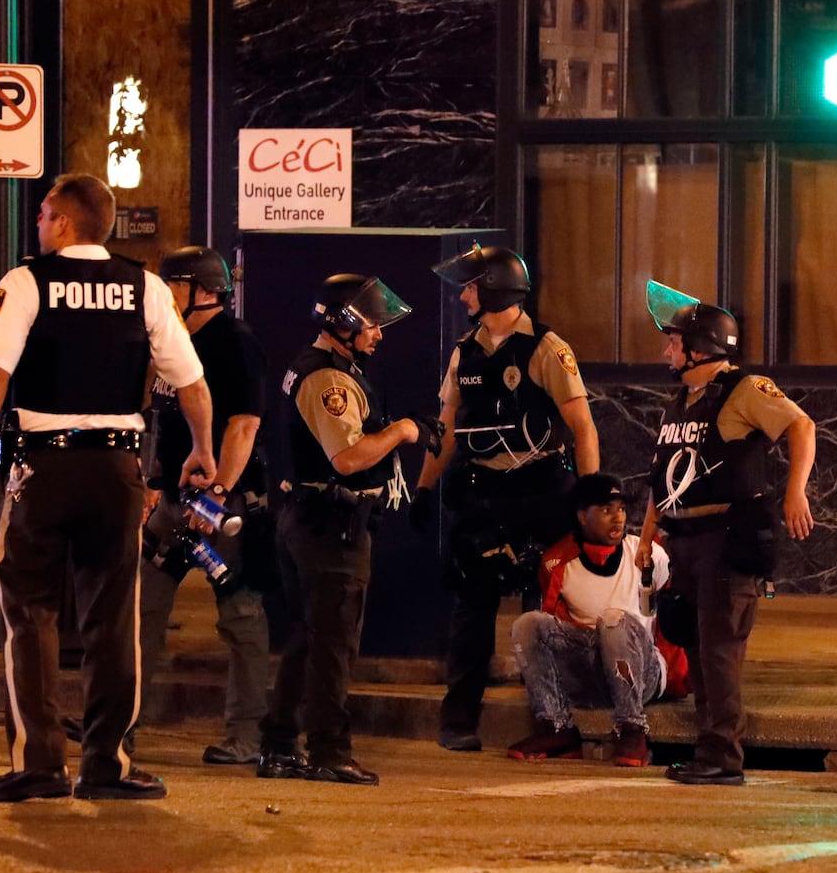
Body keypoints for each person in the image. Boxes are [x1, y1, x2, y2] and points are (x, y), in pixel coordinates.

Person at [0, 173, 215, 802]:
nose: (38, 222)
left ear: (63, 222)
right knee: (114, 619)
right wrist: (201, 450)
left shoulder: (26, 282)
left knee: (30, 615)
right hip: (118, 470)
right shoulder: (145, 286)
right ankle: (108, 765)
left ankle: (39, 766)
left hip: (42, 467)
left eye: (43, 213)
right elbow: (194, 385)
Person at [412, 243, 600, 752]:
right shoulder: (465, 351)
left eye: (470, 286)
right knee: (471, 609)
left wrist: (591, 498)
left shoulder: (545, 348)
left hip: (539, 491)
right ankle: (459, 720)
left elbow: (581, 426)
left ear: (494, 287)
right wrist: (425, 487)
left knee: (541, 612)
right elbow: (445, 428)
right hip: (482, 493)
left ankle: (551, 719)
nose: (463, 296)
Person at [255, 274, 442, 786]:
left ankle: (279, 745)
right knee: (334, 644)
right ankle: (328, 751)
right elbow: (348, 457)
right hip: (331, 525)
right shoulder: (329, 379)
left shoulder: (326, 367)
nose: (379, 334)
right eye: (373, 324)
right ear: (344, 322)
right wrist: (403, 431)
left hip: (312, 520)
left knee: (308, 640)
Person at [636, 280, 815, 787]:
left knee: (719, 649)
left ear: (700, 348)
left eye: (674, 343)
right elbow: (662, 477)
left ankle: (722, 756)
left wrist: (795, 492)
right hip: (686, 539)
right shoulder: (682, 401)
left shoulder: (745, 389)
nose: (667, 350)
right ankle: (706, 749)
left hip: (727, 536)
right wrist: (647, 537)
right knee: (695, 644)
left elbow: (802, 427)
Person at [139, 246, 270, 766]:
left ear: (202, 290)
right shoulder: (170, 344)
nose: (162, 295)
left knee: (240, 616)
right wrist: (152, 482)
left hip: (225, 504)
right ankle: (118, 722)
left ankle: (245, 736)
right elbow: (161, 419)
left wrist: (217, 496)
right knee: (141, 610)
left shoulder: (235, 342)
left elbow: (244, 424)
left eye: (171, 285)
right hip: (172, 503)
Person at [507, 473, 690, 767]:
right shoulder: (558, 564)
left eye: (621, 509)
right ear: (582, 516)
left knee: (614, 621)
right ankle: (556, 728)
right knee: (527, 624)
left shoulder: (646, 553)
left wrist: (681, 676)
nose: (618, 518)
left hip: (644, 674)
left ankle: (631, 729)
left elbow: (677, 611)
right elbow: (556, 633)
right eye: (606, 510)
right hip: (593, 675)